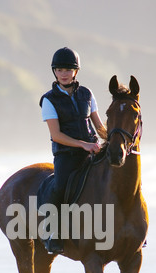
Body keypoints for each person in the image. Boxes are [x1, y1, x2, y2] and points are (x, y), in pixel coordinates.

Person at [39, 47, 106, 254]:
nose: (64, 73)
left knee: (119, 174)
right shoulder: (49, 99)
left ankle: (132, 228)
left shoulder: (87, 94)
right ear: (54, 72)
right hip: (66, 155)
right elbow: (56, 135)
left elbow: (99, 126)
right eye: (59, 69)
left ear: (76, 71)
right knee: (59, 187)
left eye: (68, 69)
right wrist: (83, 144)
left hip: (91, 151)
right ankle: (52, 234)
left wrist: (117, 138)